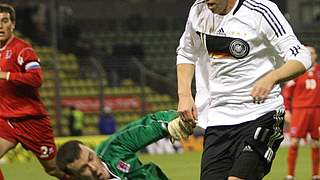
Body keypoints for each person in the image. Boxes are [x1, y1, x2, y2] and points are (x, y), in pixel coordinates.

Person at [176, 0, 312, 180]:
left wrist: (272, 78)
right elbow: (186, 52)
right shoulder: (198, 10)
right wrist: (184, 95)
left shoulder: (260, 11)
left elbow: (301, 56)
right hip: (218, 120)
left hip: (262, 114)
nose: (207, 0)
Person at [0, 4, 68, 179]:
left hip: (31, 121)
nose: (0, 26)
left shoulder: (23, 49)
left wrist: (6, 75)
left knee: (53, 169)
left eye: (4, 21)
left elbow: (36, 79)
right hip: (6, 121)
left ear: (13, 24)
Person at [56, 110, 195, 180]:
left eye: (91, 158)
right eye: (83, 169)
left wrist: (172, 123)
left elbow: (147, 125)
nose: (92, 168)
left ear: (92, 150)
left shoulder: (113, 150)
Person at [283, 46, 320, 180]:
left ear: (316, 55)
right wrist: (287, 110)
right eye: (308, 53)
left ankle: (316, 175)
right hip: (300, 110)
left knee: (316, 143)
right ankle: (290, 175)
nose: (310, 55)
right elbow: (287, 94)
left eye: (312, 53)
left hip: (317, 111)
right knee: (294, 142)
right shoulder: (297, 71)